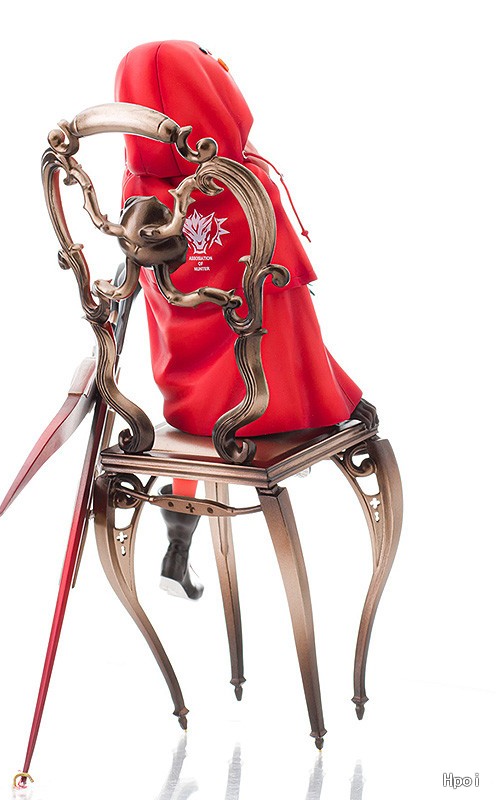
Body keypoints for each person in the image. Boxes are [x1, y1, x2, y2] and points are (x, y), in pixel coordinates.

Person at [115, 41, 376, 600]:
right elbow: (290, 308)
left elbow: (140, 282)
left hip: (185, 401)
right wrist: (344, 393)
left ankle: (178, 542)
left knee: (196, 432)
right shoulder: (244, 185)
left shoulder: (139, 190)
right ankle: (321, 412)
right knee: (274, 333)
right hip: (259, 406)